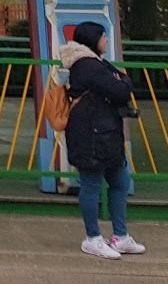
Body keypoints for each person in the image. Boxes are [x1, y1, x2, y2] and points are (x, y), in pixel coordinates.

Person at [58, 21, 146, 260]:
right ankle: (93, 238)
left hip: (104, 134)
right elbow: (121, 88)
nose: (106, 40)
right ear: (92, 39)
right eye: (103, 36)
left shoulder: (94, 63)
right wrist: (121, 82)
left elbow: (122, 80)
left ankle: (120, 236)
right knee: (92, 185)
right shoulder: (88, 65)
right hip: (91, 135)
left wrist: (121, 81)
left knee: (119, 182)